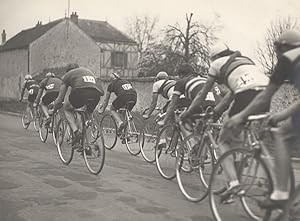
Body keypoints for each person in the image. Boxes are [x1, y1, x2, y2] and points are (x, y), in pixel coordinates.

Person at [180, 43, 270, 202]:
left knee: (223, 140)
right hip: (265, 94)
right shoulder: (245, 60)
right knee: (237, 141)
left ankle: (234, 184)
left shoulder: (217, 64)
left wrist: (188, 112)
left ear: (214, 57)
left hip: (246, 94)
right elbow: (229, 96)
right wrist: (216, 113)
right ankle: (233, 181)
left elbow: (202, 93)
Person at [225, 30, 300, 208]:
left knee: (282, 134)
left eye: (276, 49)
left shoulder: (288, 59)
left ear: (282, 47)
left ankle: (280, 193)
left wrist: (240, 116)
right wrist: (281, 115)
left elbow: (265, 97)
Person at [52, 63, 104, 145]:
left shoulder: (68, 75)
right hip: (96, 93)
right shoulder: (88, 71)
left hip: (81, 92)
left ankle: (76, 132)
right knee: (87, 118)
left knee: (67, 109)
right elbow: (102, 91)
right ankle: (87, 145)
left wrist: (54, 109)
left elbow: (60, 98)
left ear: (67, 71)